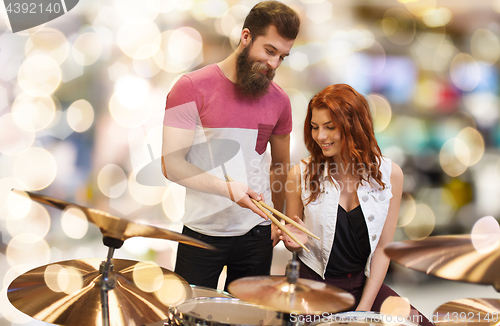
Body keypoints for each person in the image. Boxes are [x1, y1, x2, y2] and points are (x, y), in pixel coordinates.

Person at [161, 1, 300, 290]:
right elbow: (170, 165)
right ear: (246, 37)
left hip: (257, 234)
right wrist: (227, 190)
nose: (274, 64)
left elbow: (280, 166)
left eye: (282, 57)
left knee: (249, 321)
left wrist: (278, 216)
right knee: (190, 318)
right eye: (269, 51)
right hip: (201, 232)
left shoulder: (280, 101)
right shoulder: (189, 87)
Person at [279, 84, 433, 326]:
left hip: (364, 286)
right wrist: (295, 244)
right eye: (315, 127)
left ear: (354, 127)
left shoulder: (391, 174)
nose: (320, 136)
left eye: (330, 127)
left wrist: (362, 310)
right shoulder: (300, 175)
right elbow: (295, 243)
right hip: (314, 287)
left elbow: (383, 249)